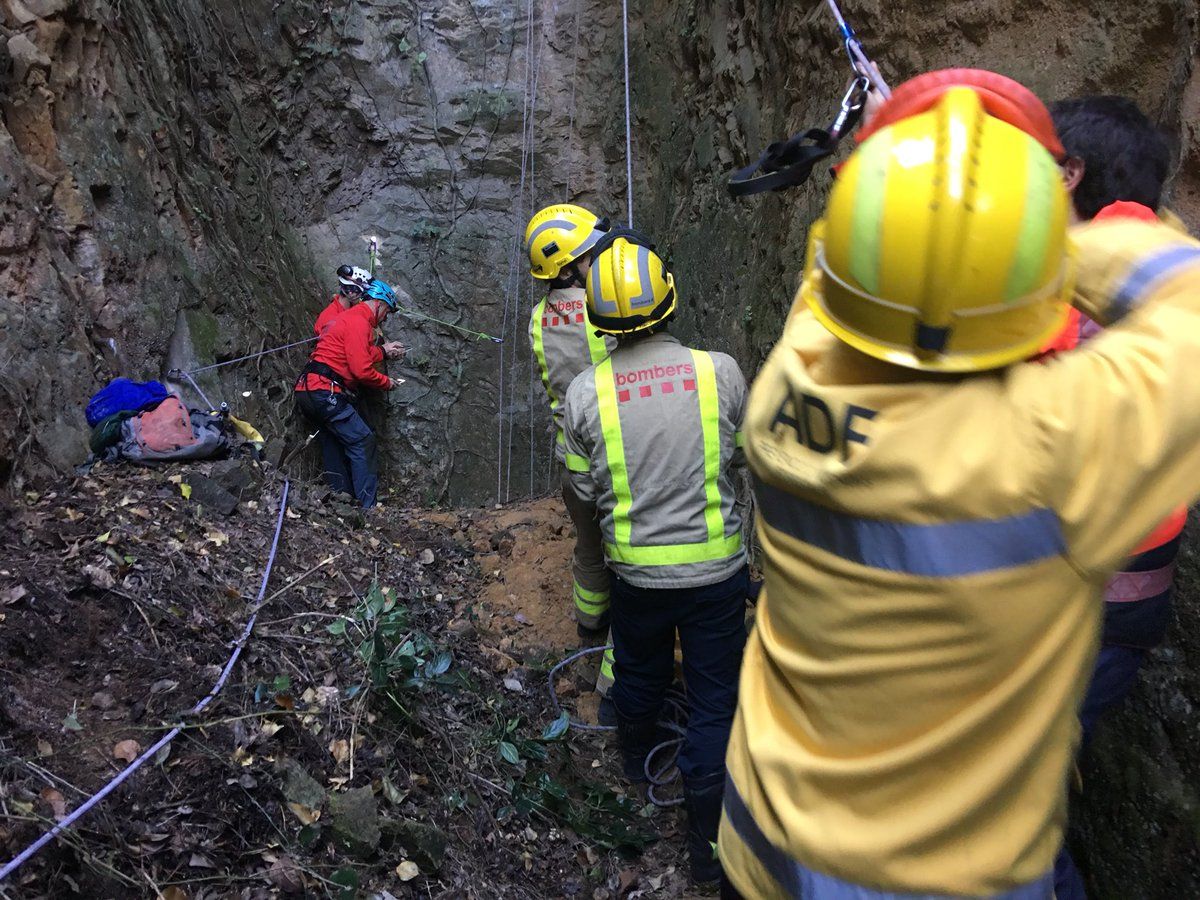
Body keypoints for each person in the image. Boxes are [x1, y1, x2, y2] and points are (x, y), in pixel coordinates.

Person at [718, 81, 1200, 899]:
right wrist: (1038, 233)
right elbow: (1182, 297)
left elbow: (837, 266)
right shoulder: (1060, 447)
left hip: (763, 854)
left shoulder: (788, 389)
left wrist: (917, 191)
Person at [563, 235, 749, 884]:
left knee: (639, 675)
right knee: (714, 703)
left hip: (637, 578)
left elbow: (582, 496)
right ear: (670, 302)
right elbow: (746, 461)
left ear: (597, 320)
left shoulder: (585, 395)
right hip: (718, 578)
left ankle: (638, 775)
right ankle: (708, 853)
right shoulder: (719, 371)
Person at [1045, 95, 1180, 900]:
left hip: (1083, 608)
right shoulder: (1166, 269)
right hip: (1124, 605)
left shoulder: (1084, 298)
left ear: (1070, 174)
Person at [525, 204, 619, 699]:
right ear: (567, 267)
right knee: (628, 557)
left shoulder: (538, 319)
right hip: (615, 454)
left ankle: (589, 628)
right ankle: (612, 679)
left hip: (571, 456)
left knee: (589, 550)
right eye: (586, 255)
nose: (594, 260)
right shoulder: (602, 307)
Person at [295, 279, 405, 509]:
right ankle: (368, 508)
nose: (385, 318)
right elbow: (361, 370)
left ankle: (341, 502)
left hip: (309, 390)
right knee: (363, 440)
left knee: (333, 443)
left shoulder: (349, 318)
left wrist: (384, 352)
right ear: (379, 304)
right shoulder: (360, 322)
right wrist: (387, 383)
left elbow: (353, 353)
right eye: (387, 312)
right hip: (325, 392)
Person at [315, 266, 372, 337]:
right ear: (350, 292)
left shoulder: (348, 311)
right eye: (361, 295)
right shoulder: (330, 317)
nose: (362, 300)